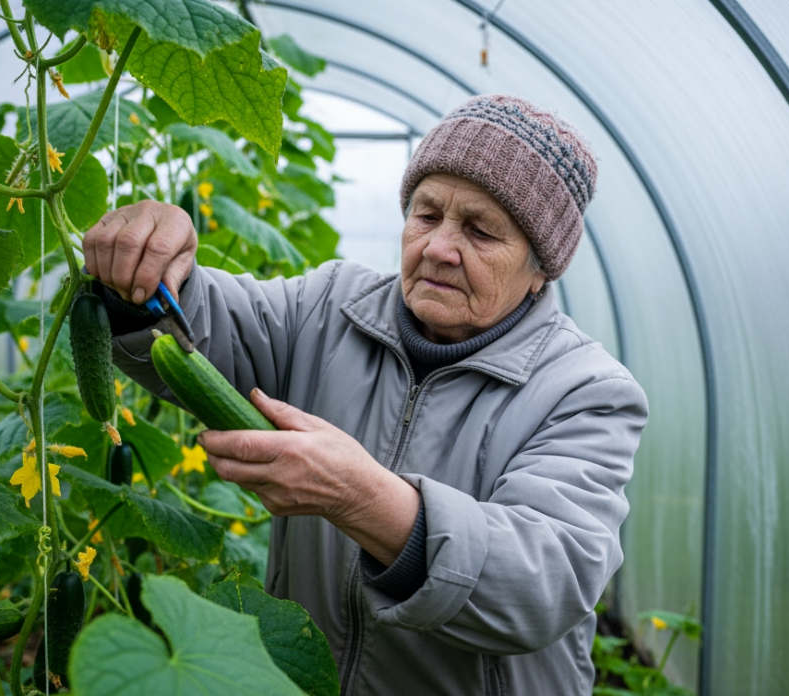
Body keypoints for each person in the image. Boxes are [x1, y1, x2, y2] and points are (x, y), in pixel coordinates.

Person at [84, 94, 648, 695]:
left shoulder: (586, 391)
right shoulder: (330, 306)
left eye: (481, 231)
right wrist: (150, 271)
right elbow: (207, 323)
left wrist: (361, 497)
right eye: (426, 215)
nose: (437, 248)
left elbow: (542, 585)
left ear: (542, 269)